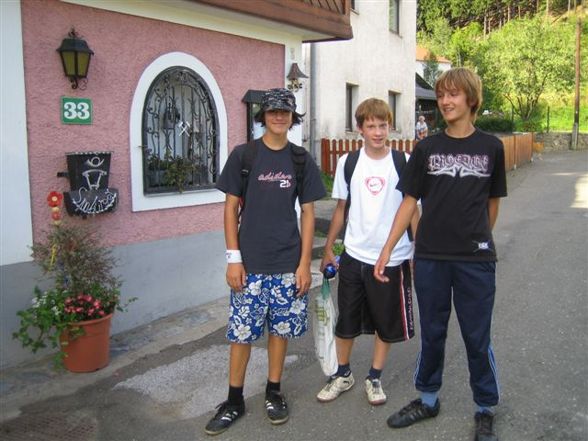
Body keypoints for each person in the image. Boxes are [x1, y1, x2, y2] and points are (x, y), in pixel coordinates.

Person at [374, 67, 507, 441]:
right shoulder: (427, 148)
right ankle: (428, 400)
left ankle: (485, 408)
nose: (446, 101)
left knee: (476, 337)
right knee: (432, 334)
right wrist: (388, 248)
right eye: (442, 94)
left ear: (471, 99)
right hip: (430, 257)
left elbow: (492, 205)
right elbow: (409, 202)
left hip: (475, 261)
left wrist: (477, 239)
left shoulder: (491, 147)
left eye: (453, 95)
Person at [205, 88, 326, 436]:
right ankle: (234, 400)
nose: (278, 116)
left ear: (292, 117)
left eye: (284, 112)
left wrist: (305, 264)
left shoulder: (300, 160)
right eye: (272, 111)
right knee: (241, 334)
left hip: (287, 262)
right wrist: (233, 259)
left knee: (280, 331)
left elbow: (307, 212)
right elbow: (229, 208)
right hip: (250, 264)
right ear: (263, 116)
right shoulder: (245, 156)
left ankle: (274, 391)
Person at [316, 98, 419, 407]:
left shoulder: (403, 161)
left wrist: (417, 251)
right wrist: (329, 250)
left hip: (394, 257)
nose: (377, 132)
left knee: (386, 322)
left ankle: (374, 377)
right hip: (354, 256)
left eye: (383, 125)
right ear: (359, 128)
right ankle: (342, 374)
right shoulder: (348, 162)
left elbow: (412, 210)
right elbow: (340, 210)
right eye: (371, 126)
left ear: (390, 126)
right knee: (346, 320)